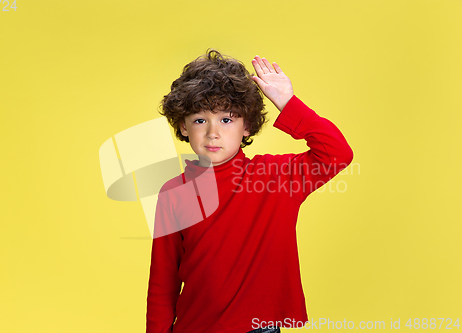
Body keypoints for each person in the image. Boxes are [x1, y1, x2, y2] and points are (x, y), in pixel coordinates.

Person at [146, 48, 354, 333]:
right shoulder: (174, 192)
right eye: (199, 120)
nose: (213, 132)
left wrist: (288, 103)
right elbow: (163, 281)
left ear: (247, 126)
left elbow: (336, 153)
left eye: (227, 119)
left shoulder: (277, 178)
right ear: (183, 126)